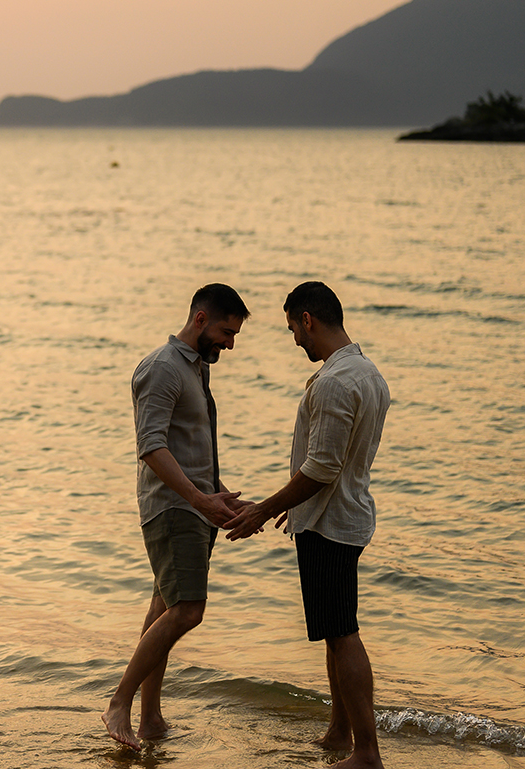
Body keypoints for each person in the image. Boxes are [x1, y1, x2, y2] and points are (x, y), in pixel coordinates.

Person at [223, 281, 390, 769]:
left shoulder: (338, 381)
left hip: (332, 524)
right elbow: (332, 466)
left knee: (342, 633)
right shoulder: (369, 373)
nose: (295, 340)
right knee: (333, 629)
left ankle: (367, 752)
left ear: (307, 319)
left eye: (293, 329)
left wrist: (264, 508)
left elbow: (322, 467)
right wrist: (288, 507)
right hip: (340, 515)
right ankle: (340, 734)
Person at [102, 283, 251, 751]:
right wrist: (199, 499)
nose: (230, 344)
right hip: (173, 510)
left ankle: (150, 720)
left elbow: (186, 445)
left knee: (163, 608)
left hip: (193, 507)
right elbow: (151, 446)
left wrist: (218, 495)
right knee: (188, 610)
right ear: (201, 319)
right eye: (227, 332)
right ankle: (119, 703)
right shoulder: (163, 368)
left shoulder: (194, 370)